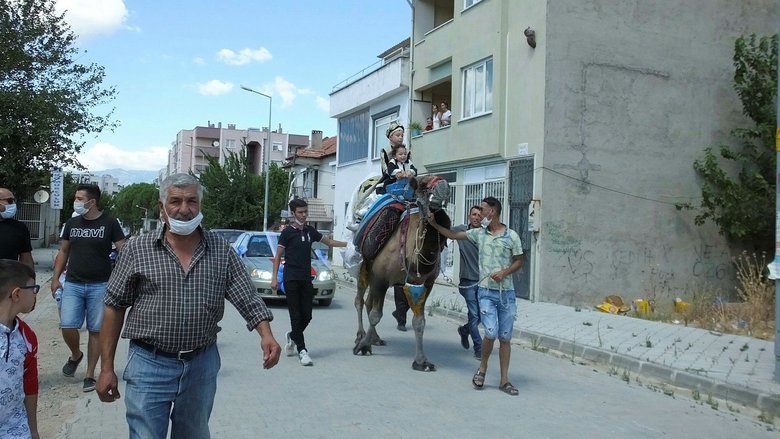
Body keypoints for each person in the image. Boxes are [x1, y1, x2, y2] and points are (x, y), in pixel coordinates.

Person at [96, 173, 281, 438]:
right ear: (162, 208)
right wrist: (106, 369)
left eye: (192, 201)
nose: (184, 209)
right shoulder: (137, 249)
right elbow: (113, 306)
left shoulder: (221, 249)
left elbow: (246, 295)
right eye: (175, 201)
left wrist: (266, 334)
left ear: (200, 206)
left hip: (201, 365)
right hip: (149, 364)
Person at [428, 197, 524, 396]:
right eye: (478, 210)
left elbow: (519, 261)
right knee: (490, 332)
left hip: (507, 295)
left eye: (483, 209)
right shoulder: (479, 234)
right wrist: (434, 223)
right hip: (485, 292)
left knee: (505, 337)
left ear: (493, 212)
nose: (480, 213)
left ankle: (504, 380)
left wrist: (505, 272)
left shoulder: (511, 236)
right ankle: (482, 369)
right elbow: (453, 235)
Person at [51, 184, 126, 392]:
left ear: (91, 202)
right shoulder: (72, 223)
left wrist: (122, 277)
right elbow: (64, 251)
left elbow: (124, 251)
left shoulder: (110, 223)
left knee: (96, 331)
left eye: (78, 198)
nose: (75, 201)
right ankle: (76, 355)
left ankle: (90, 374)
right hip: (73, 283)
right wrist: (55, 278)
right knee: (67, 325)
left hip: (100, 285)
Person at [271, 198, 346, 366]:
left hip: (306, 278)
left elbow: (330, 242)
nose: (304, 215)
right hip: (291, 278)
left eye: (305, 212)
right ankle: (302, 350)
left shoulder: (311, 231)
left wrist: (349, 244)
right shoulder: (287, 233)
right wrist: (274, 278)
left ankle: (292, 335)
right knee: (296, 315)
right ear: (293, 213)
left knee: (308, 315)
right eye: (300, 212)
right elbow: (278, 257)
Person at [0, 259, 40, 439]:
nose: (35, 294)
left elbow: (30, 384)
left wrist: (33, 430)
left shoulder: (26, 337)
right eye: (33, 288)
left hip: (15, 427)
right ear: (16, 294)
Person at [454, 206, 483, 358]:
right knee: (474, 315)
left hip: (483, 281)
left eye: (479, 215)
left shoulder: (485, 233)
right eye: (474, 214)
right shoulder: (461, 230)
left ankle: (465, 330)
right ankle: (479, 348)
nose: (476, 217)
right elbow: (444, 232)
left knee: (481, 316)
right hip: (467, 281)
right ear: (469, 215)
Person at [0, 187, 34, 269]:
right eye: (10, 201)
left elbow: (26, 260)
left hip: (9, 279)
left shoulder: (20, 228)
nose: (13, 204)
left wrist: (30, 279)